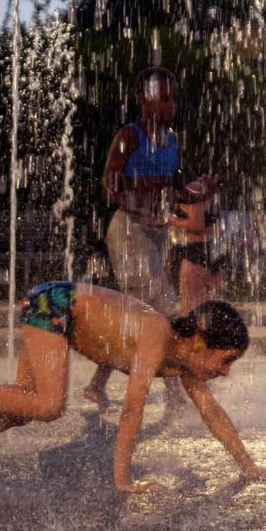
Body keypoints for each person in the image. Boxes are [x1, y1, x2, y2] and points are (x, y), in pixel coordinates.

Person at [0, 284, 266, 490]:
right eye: (225, 360)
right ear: (198, 341)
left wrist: (250, 466)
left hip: (57, 310)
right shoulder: (157, 336)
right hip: (55, 305)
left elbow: (211, 412)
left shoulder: (183, 363)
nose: (225, 373)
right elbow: (133, 409)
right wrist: (124, 480)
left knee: (23, 408)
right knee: (49, 405)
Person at [83, 67, 213, 409]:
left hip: (155, 234)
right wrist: (138, 207)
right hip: (128, 231)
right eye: (162, 98)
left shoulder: (171, 141)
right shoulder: (130, 135)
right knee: (164, 308)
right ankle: (176, 393)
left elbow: (177, 188)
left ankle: (97, 384)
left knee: (136, 312)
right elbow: (109, 184)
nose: (170, 105)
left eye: (173, 98)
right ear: (144, 100)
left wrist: (200, 193)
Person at [166, 180, 228, 313]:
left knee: (190, 311)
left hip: (195, 251)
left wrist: (168, 219)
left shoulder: (192, 188)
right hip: (214, 249)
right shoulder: (207, 189)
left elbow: (196, 224)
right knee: (213, 311)